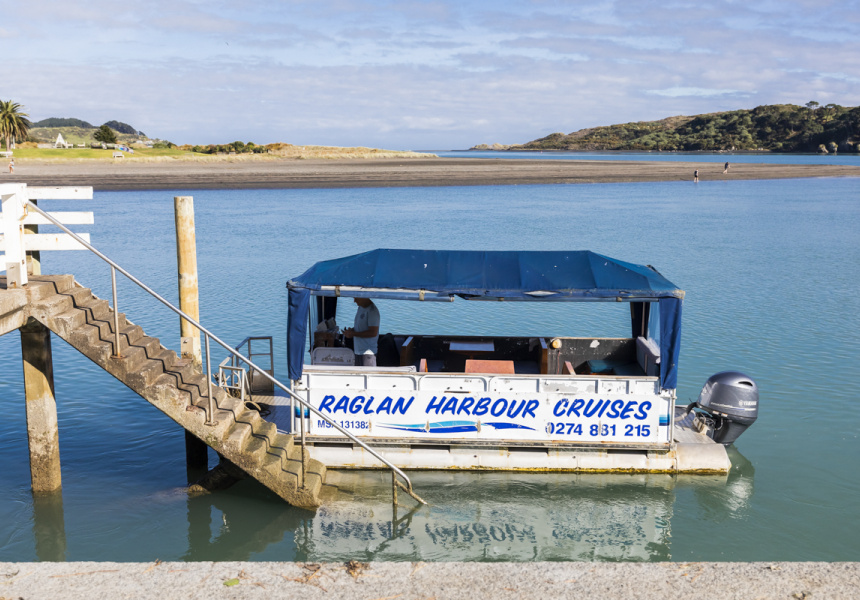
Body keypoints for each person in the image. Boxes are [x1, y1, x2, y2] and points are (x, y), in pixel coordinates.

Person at [343, 297, 380, 367]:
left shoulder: (372, 311)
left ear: (364, 297)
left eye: (356, 298)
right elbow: (361, 327)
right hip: (358, 351)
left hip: (368, 354)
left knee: (368, 376)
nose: (354, 301)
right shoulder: (360, 308)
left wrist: (353, 334)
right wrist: (352, 331)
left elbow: (373, 332)